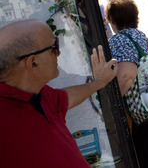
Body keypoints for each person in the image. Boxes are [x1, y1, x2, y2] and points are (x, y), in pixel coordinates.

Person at [0, 19, 118, 167]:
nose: (59, 53)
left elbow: (67, 97)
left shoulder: (39, 95)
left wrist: (99, 82)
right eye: (54, 47)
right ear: (33, 63)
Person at [106, 0, 148, 168]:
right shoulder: (141, 36)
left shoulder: (119, 40)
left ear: (112, 20)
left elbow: (127, 75)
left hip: (142, 113)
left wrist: (110, 105)